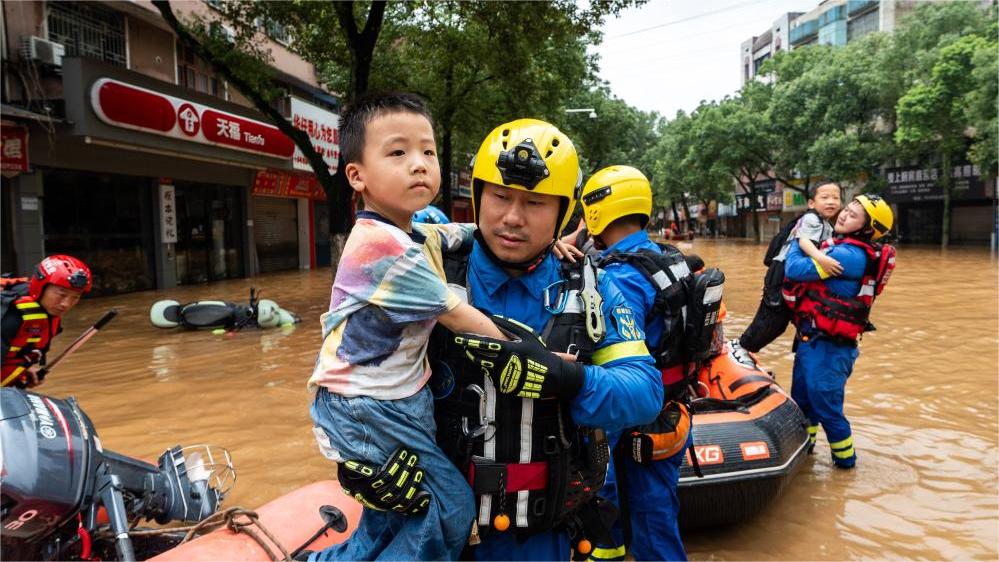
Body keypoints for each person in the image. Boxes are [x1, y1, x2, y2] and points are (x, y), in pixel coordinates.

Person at [428, 119, 663, 560]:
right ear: (478, 195)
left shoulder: (592, 290)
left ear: (563, 212)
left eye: (535, 203)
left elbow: (644, 391)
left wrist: (568, 379)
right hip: (431, 526)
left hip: (535, 538)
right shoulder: (427, 268)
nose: (513, 218)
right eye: (500, 196)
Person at [307, 92, 505, 561]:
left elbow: (463, 233)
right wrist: (547, 363)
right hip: (368, 406)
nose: (419, 164)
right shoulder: (382, 248)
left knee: (393, 513)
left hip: (394, 397)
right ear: (357, 176)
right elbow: (465, 320)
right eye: (398, 152)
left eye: (428, 151)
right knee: (450, 508)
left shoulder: (413, 231)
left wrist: (547, 233)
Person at [578, 166, 723, 562]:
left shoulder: (619, 276)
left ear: (595, 210)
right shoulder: (666, 257)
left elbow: (610, 354)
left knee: (648, 522)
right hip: (672, 409)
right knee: (652, 511)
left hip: (635, 418)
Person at [782, 194, 896, 468]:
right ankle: (806, 455)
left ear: (867, 229)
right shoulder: (841, 246)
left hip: (830, 348)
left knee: (827, 410)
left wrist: (800, 239)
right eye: (848, 209)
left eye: (854, 215)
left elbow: (794, 268)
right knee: (804, 404)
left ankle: (846, 466)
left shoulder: (850, 255)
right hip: (813, 340)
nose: (844, 215)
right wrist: (812, 247)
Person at [739, 182, 843, 353]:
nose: (831, 201)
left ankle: (746, 348)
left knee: (780, 322)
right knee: (771, 319)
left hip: (793, 276)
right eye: (824, 198)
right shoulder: (811, 218)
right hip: (781, 272)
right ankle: (742, 348)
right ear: (811, 203)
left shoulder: (827, 225)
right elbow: (804, 241)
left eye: (835, 197)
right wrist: (821, 259)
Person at [1, 255, 92, 389]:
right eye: (61, 294)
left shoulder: (47, 311)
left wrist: (22, 371)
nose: (66, 304)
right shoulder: (10, 315)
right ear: (41, 287)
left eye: (75, 297)